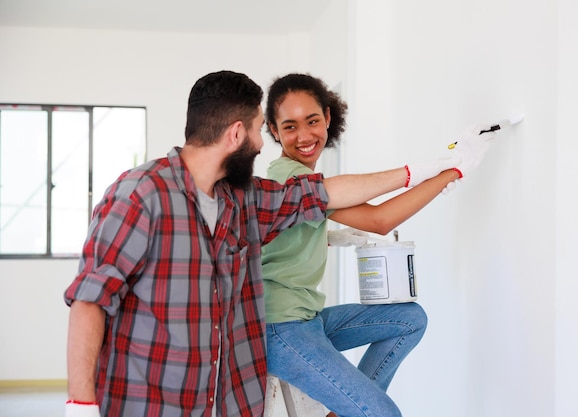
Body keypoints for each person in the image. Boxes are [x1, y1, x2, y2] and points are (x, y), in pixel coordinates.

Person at [63, 70, 482, 417]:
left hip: (241, 374)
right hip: (175, 386)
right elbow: (91, 299)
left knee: (409, 320)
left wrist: (428, 169)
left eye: (312, 120)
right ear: (236, 134)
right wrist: (80, 405)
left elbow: (324, 192)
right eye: (266, 129)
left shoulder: (243, 197)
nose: (264, 144)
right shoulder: (142, 193)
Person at [261, 73, 496, 417]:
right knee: (382, 413)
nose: (304, 135)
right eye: (290, 126)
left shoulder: (309, 180)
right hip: (279, 326)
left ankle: (343, 412)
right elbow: (377, 212)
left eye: (312, 121)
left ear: (327, 116)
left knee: (409, 319)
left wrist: (451, 172)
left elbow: (379, 219)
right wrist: (448, 168)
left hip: (306, 318)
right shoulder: (288, 176)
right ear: (274, 129)